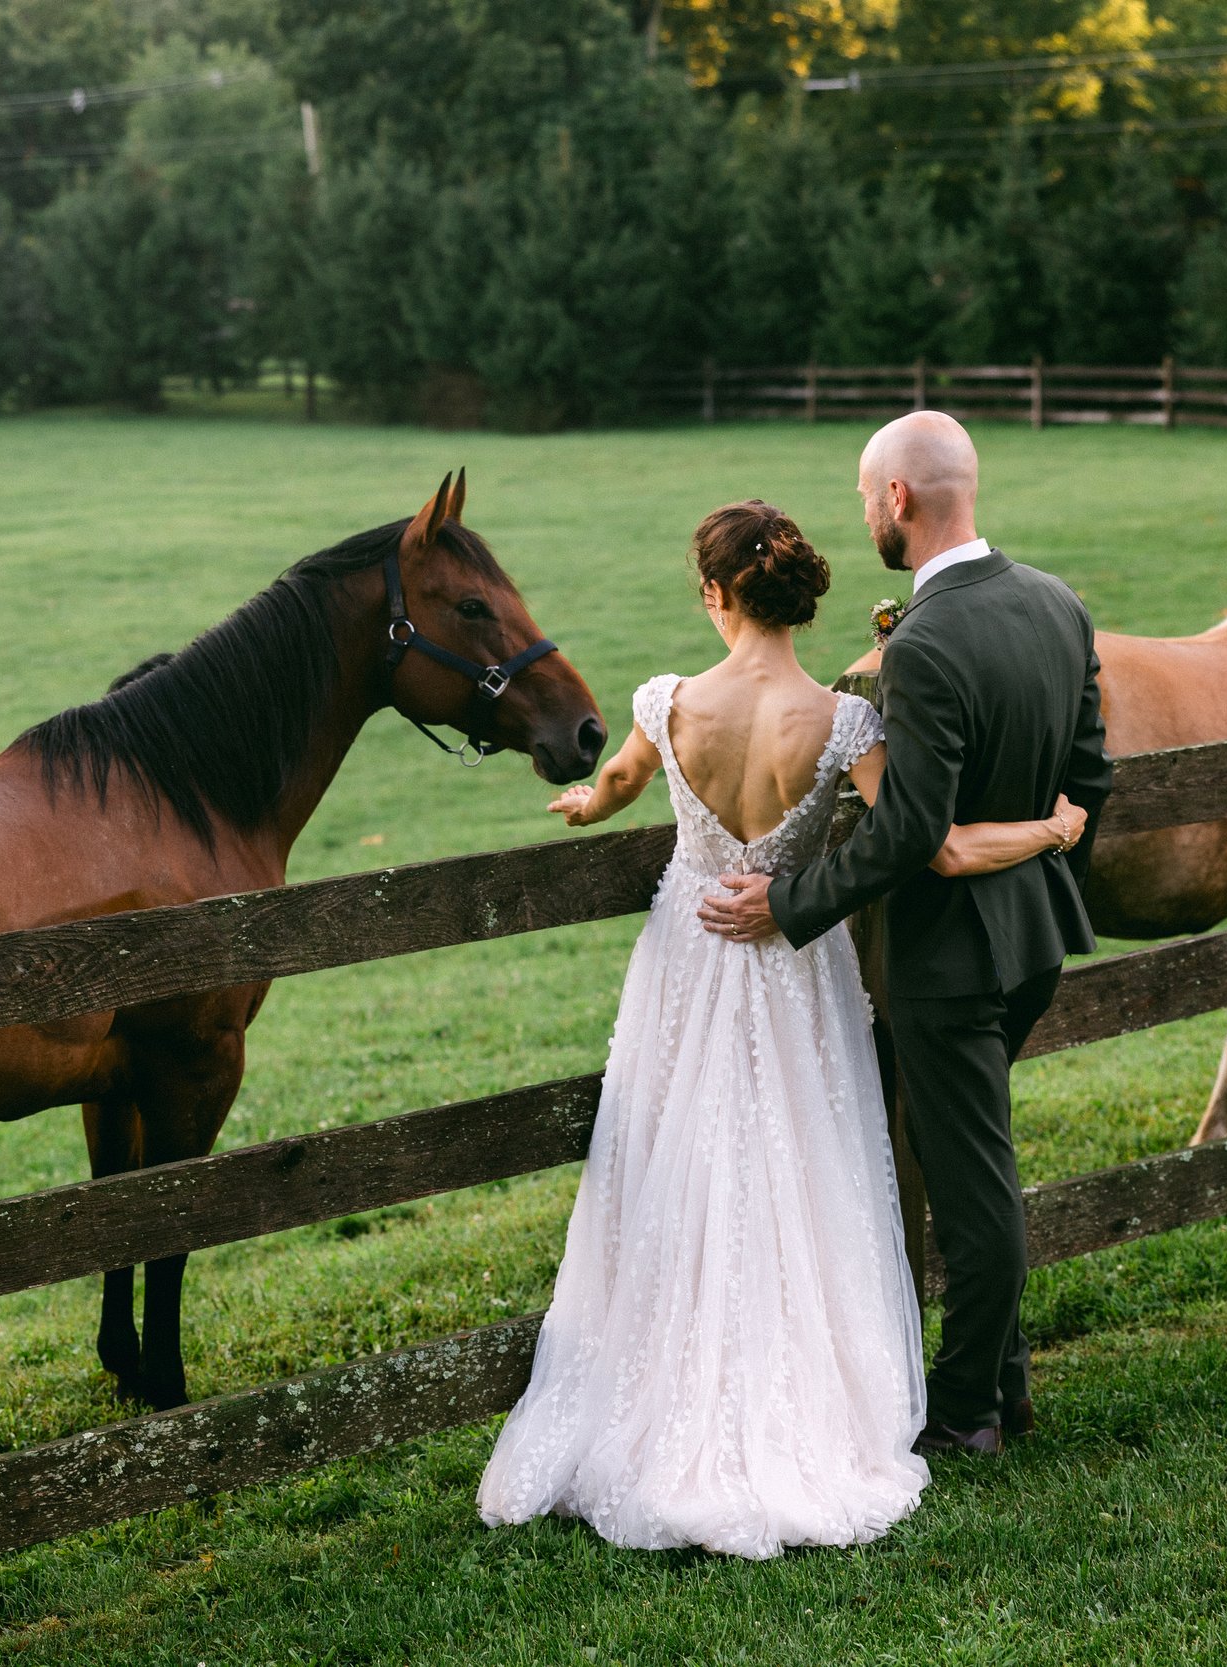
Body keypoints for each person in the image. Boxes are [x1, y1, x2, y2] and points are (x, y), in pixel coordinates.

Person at [476, 498, 1089, 1557]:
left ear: (715, 594)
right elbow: (922, 839)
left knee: (676, 1159)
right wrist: (1049, 824)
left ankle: (656, 1378)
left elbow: (617, 782)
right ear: (796, 594)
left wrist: (584, 805)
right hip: (794, 961)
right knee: (802, 1160)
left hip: (687, 957)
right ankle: (822, 1387)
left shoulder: (665, 703)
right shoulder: (846, 723)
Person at [697, 412, 1114, 1456]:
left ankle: (967, 1408)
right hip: (1035, 944)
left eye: (861, 495)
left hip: (947, 962)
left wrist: (784, 904)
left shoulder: (922, 645)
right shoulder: (1056, 604)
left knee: (969, 1184)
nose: (862, 513)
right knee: (962, 1152)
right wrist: (1047, 844)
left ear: (896, 501)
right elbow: (1091, 781)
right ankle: (1004, 1385)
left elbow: (907, 833)